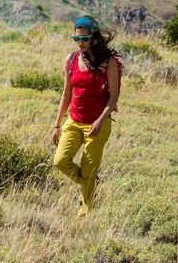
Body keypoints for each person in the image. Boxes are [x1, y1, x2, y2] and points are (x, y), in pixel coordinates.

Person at [51, 15, 121, 217]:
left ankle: (86, 211)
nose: (80, 43)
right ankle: (88, 182)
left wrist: (100, 121)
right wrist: (57, 125)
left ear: (94, 37)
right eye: (76, 39)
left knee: (89, 168)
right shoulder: (71, 60)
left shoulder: (109, 62)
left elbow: (114, 96)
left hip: (97, 124)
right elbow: (66, 94)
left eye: (84, 38)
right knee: (60, 161)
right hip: (74, 121)